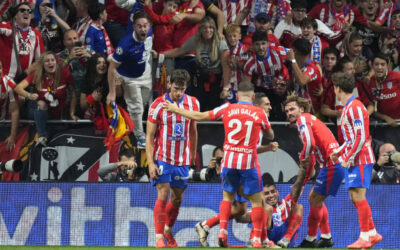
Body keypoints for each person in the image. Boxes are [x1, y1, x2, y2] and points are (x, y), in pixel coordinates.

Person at [164, 82, 274, 248]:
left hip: (229, 161)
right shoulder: (259, 113)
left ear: (236, 96)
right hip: (249, 162)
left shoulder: (227, 108)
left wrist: (176, 109)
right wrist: (266, 130)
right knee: (258, 203)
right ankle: (258, 239)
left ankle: (222, 231)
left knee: (227, 199)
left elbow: (200, 116)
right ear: (253, 97)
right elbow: (270, 134)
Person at [194, 92, 279, 248]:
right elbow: (246, 148)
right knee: (262, 204)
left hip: (237, 165)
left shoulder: (254, 121)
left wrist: (267, 148)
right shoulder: (256, 117)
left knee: (240, 210)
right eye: (267, 104)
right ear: (257, 105)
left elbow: (251, 148)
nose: (270, 107)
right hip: (241, 168)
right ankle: (259, 239)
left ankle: (206, 225)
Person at [145, 69, 199, 248]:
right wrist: (151, 163)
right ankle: (159, 237)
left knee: (177, 199)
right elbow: (150, 137)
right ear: (169, 84)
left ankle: (168, 230)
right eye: (176, 88)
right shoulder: (157, 105)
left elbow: (193, 130)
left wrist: (192, 154)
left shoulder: (193, 103)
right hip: (163, 158)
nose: (178, 93)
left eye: (182, 89)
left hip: (182, 160)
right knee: (163, 192)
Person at [283, 93, 345, 248]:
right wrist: (303, 178)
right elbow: (310, 155)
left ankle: (311, 239)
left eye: (292, 109)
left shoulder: (302, 119)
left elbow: (309, 144)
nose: (289, 113)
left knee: (314, 199)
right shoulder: (309, 120)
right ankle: (326, 236)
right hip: (330, 164)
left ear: (302, 109)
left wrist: (303, 157)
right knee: (315, 199)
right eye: (286, 111)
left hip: (333, 164)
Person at [330, 72, 382, 249]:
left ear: (337, 88)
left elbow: (360, 137)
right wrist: (339, 152)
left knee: (358, 196)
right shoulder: (349, 107)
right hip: (355, 158)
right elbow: (351, 139)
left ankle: (365, 237)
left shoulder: (355, 107)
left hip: (361, 158)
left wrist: (348, 158)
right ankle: (373, 233)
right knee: (355, 196)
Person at [160, 16, 231, 111]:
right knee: (198, 105)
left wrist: (226, 88)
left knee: (214, 107)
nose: (208, 30)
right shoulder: (196, 40)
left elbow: (226, 67)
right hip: (200, 77)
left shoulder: (221, 43)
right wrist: (160, 54)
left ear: (214, 29)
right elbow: (180, 51)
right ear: (200, 29)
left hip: (216, 79)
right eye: (205, 28)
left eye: (210, 28)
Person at [107, 10, 153, 149]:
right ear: (134, 27)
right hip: (129, 78)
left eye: (145, 26)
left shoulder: (150, 34)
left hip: (146, 73)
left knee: (145, 105)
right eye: (139, 26)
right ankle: (140, 137)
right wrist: (112, 92)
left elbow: (146, 48)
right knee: (137, 108)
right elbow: (111, 68)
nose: (143, 29)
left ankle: (133, 122)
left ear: (149, 26)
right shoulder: (125, 45)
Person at [14, 51, 78, 147]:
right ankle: (42, 137)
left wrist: (72, 113)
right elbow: (18, 87)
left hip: (55, 113)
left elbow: (73, 93)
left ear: (56, 62)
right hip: (36, 110)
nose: (50, 63)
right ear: (42, 65)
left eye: (52, 60)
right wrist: (29, 95)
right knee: (41, 103)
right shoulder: (36, 74)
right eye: (47, 61)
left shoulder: (65, 73)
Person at [243, 30, 289, 121]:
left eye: (263, 44)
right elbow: (247, 86)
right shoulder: (250, 64)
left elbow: (295, 56)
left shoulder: (279, 52)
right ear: (253, 46)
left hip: (281, 87)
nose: (260, 47)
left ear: (268, 44)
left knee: (282, 114)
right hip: (262, 90)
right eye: (257, 44)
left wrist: (288, 85)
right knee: (263, 115)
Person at [0, 2, 44, 80]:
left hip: (23, 82)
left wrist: (26, 73)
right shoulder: (7, 27)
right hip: (5, 80)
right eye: (22, 10)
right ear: (15, 15)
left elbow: (40, 60)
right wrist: (5, 16)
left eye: (29, 11)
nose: (26, 12)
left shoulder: (37, 34)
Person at [287, 38, 323, 115]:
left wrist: (292, 60)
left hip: (312, 113)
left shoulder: (312, 68)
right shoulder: (296, 66)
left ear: (295, 52)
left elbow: (302, 81)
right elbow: (291, 87)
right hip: (298, 111)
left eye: (293, 50)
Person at [369, 53, 400, 126]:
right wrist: (386, 118)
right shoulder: (369, 82)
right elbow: (370, 107)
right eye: (376, 64)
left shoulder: (397, 76)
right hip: (383, 123)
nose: (379, 67)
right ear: (372, 65)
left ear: (387, 65)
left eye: (383, 64)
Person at [224, 23, 249, 103]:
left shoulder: (244, 49)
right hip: (228, 86)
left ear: (240, 36)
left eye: (234, 36)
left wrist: (236, 62)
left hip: (240, 86)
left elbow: (247, 67)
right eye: (229, 36)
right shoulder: (226, 49)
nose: (232, 38)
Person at [0, 60, 19, 151]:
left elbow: (15, 110)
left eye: (0, 68)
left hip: (3, 124)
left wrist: (12, 135)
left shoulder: (8, 82)